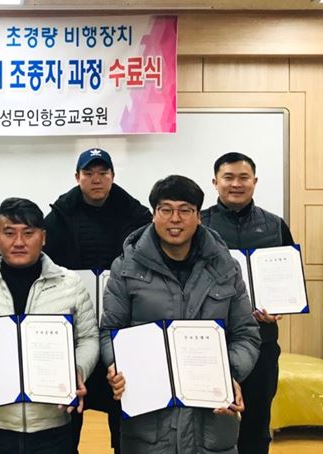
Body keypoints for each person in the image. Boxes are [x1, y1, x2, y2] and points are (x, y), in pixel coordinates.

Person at [101, 175, 261, 454]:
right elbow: (109, 332)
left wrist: (229, 374)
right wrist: (115, 364)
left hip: (211, 421)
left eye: (185, 210)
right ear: (154, 214)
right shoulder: (126, 268)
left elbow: (246, 334)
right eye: (166, 210)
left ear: (198, 216)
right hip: (149, 425)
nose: (175, 219)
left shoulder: (226, 267)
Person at [0, 197, 99, 453]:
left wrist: (78, 370)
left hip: (53, 425)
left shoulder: (69, 283)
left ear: (43, 237)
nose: (18, 242)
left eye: (28, 233)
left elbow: (88, 338)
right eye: (9, 233)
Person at [43, 147, 152, 453]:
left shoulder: (137, 217)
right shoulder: (58, 217)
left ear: (113, 176)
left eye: (103, 173)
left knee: (125, 420)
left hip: (122, 331)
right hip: (74, 333)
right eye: (88, 173)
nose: (96, 179)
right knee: (68, 419)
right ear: (77, 177)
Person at [201, 152, 294, 454]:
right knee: (209, 424)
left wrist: (280, 306)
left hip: (262, 339)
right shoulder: (199, 225)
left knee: (256, 422)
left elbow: (289, 277)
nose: (236, 184)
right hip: (213, 341)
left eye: (243, 178)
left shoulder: (274, 225)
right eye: (228, 177)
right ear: (215, 182)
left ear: (254, 181)